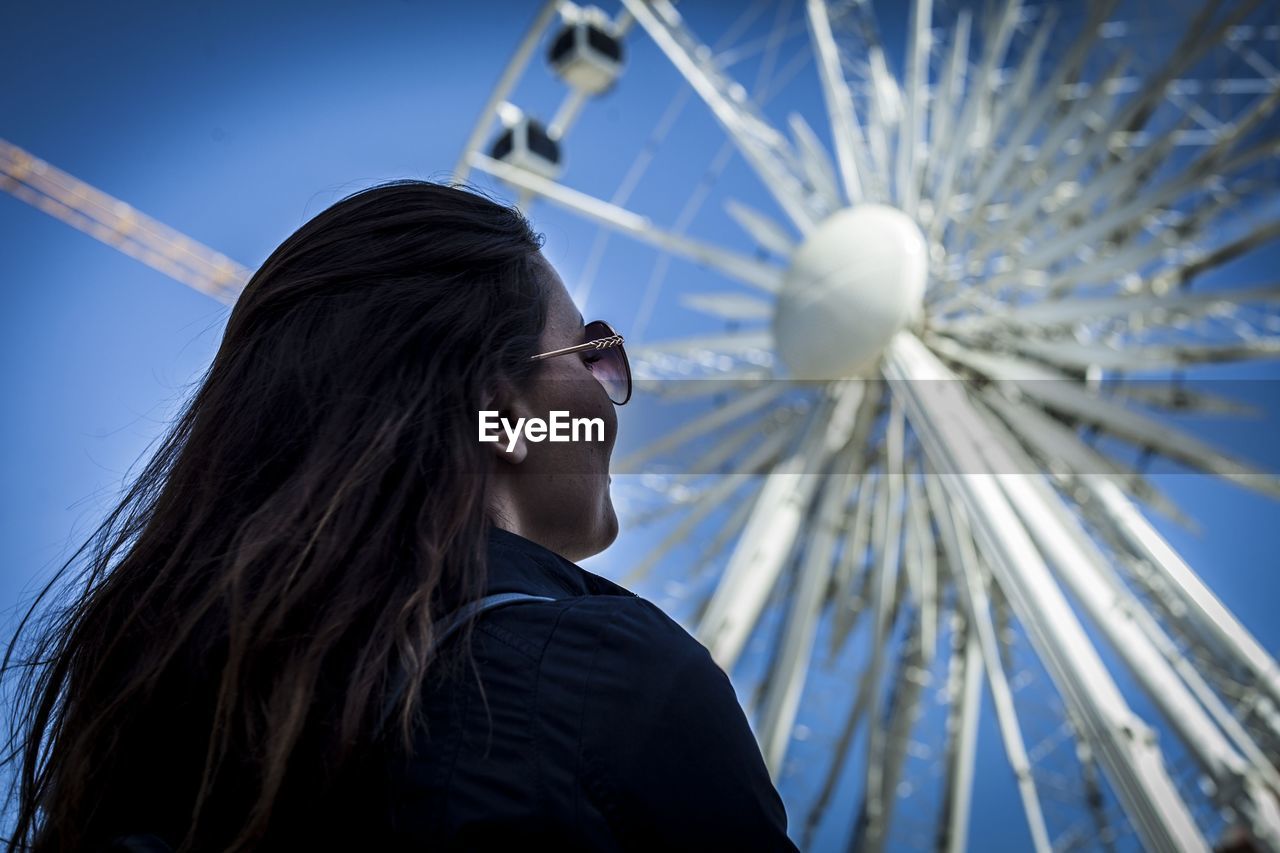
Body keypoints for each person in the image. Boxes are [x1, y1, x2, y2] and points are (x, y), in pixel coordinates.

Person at [2, 180, 798, 851]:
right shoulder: (618, 679)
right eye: (590, 350)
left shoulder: (158, 735)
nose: (609, 391)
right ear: (504, 411)